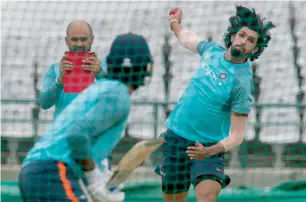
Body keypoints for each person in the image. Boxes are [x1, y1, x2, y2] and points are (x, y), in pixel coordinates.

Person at [155, 6, 275, 202]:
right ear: (233, 36)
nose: (244, 41)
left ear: (255, 49)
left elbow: (237, 135)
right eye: (242, 35)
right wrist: (174, 23)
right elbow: (187, 39)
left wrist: (209, 151)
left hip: (207, 146)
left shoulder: (242, 83)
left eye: (251, 40)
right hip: (176, 137)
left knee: (208, 196)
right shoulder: (211, 51)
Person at [19, 32, 154, 202]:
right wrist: (93, 176)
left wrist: (101, 174)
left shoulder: (103, 88)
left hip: (37, 171)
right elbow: (77, 134)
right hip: (52, 172)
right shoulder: (118, 94)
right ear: (144, 67)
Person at [38, 20, 107, 119]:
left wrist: (100, 73)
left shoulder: (104, 67)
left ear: (92, 39)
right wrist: (60, 81)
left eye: (84, 39)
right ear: (66, 41)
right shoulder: (55, 69)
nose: (79, 44)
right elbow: (44, 103)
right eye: (74, 39)